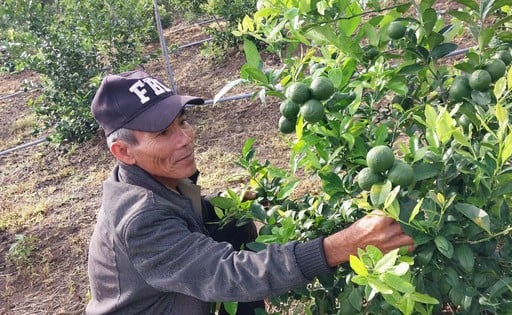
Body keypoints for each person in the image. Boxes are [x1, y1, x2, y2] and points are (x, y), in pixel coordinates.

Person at [86, 69, 415, 314]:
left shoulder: (152, 180)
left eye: (182, 121)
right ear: (124, 152)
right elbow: (227, 273)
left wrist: (234, 203)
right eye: (163, 132)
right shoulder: (140, 220)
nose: (185, 137)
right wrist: (339, 247)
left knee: (236, 225)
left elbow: (185, 214)